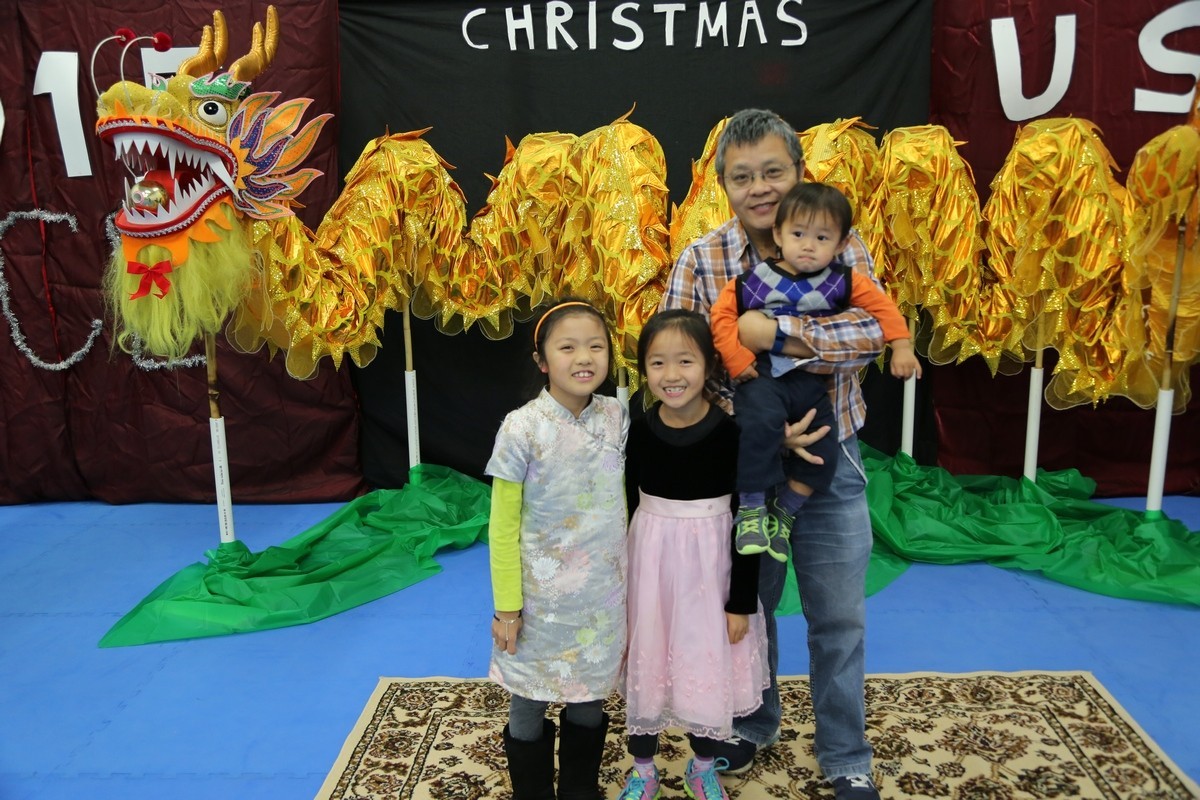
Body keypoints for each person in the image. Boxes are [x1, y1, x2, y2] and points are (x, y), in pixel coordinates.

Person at [662, 108, 887, 800]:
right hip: (746, 466)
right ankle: (752, 724)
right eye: (742, 177)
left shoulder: (840, 245)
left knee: (838, 615)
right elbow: (679, 367)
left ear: (799, 171)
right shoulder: (702, 260)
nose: (759, 188)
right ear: (722, 185)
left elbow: (870, 336)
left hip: (830, 458)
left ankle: (845, 752)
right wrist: (757, 428)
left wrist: (779, 336)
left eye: (772, 172)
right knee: (749, 607)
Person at [711, 182, 921, 563]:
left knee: (826, 447)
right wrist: (736, 359)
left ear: (841, 244)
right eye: (798, 235)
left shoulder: (843, 280)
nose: (808, 246)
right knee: (757, 427)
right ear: (778, 235)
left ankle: (786, 511)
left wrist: (902, 346)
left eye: (821, 238)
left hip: (812, 383)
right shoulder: (753, 280)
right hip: (762, 379)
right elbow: (721, 316)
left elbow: (882, 309)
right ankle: (752, 509)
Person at [619, 309, 771, 800]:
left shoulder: (733, 435)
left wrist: (740, 602)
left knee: (705, 665)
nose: (672, 374)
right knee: (647, 664)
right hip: (650, 569)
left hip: (711, 573)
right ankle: (643, 770)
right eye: (657, 362)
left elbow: (749, 520)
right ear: (644, 370)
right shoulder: (638, 431)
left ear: (709, 365)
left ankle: (702, 766)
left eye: (685, 361)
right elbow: (626, 506)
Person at [486, 298, 628, 800]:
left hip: (601, 598)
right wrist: (507, 607)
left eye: (596, 346)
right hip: (539, 601)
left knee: (590, 695)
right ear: (542, 360)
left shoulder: (616, 416)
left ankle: (578, 790)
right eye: (567, 347)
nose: (584, 358)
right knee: (528, 697)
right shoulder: (521, 427)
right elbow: (501, 528)